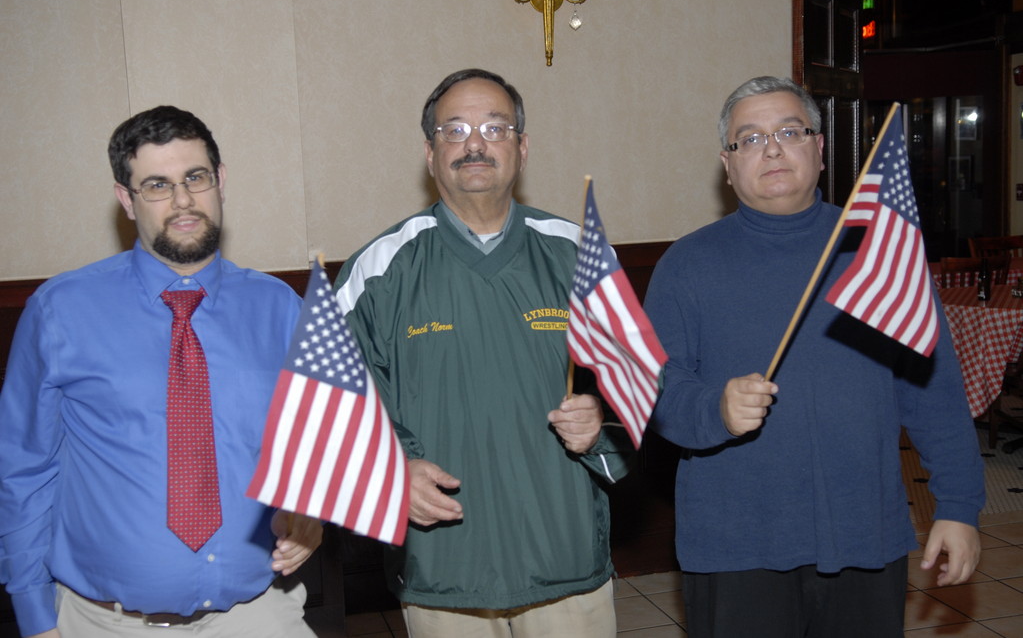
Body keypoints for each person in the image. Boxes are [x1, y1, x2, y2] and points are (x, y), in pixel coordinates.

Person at [643, 76, 985, 637]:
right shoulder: (687, 265)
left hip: (864, 534)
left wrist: (959, 504)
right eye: (748, 139)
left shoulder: (880, 257)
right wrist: (716, 410)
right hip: (736, 543)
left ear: (820, 149)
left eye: (789, 131)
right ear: (726, 165)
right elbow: (656, 395)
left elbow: (934, 394)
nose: (771, 148)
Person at [0, 105, 323, 638]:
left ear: (219, 181)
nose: (182, 201)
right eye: (156, 185)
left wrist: (312, 521)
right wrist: (35, 616)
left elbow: (314, 445)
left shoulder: (281, 309)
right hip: (103, 623)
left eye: (195, 178)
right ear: (126, 199)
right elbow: (23, 471)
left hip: (256, 614)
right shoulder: (60, 312)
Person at [333, 68, 633, 637]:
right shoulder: (377, 270)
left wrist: (602, 418)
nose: (475, 143)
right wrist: (388, 469)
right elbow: (332, 405)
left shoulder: (578, 253)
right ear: (429, 152)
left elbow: (641, 381)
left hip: (564, 563)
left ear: (522, 147)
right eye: (455, 129)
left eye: (495, 128)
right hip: (445, 571)